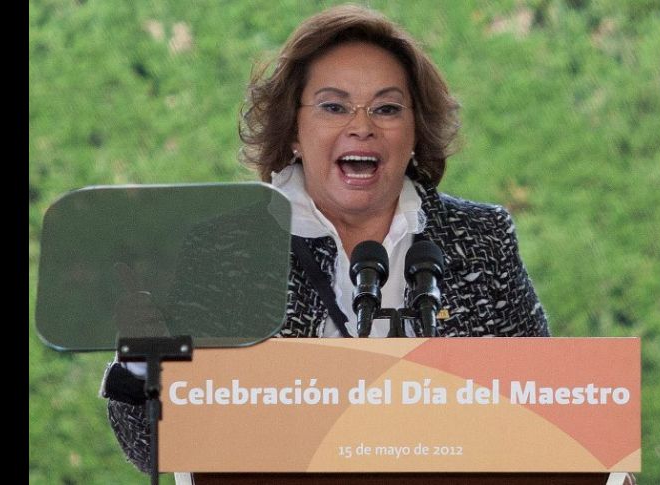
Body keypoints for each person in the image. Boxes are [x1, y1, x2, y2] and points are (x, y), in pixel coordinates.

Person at [101, 4, 557, 479]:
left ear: (416, 132)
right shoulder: (228, 248)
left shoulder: (482, 238)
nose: (362, 126)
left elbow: (549, 409)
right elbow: (152, 446)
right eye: (334, 106)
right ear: (294, 132)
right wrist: (141, 365)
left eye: (386, 108)